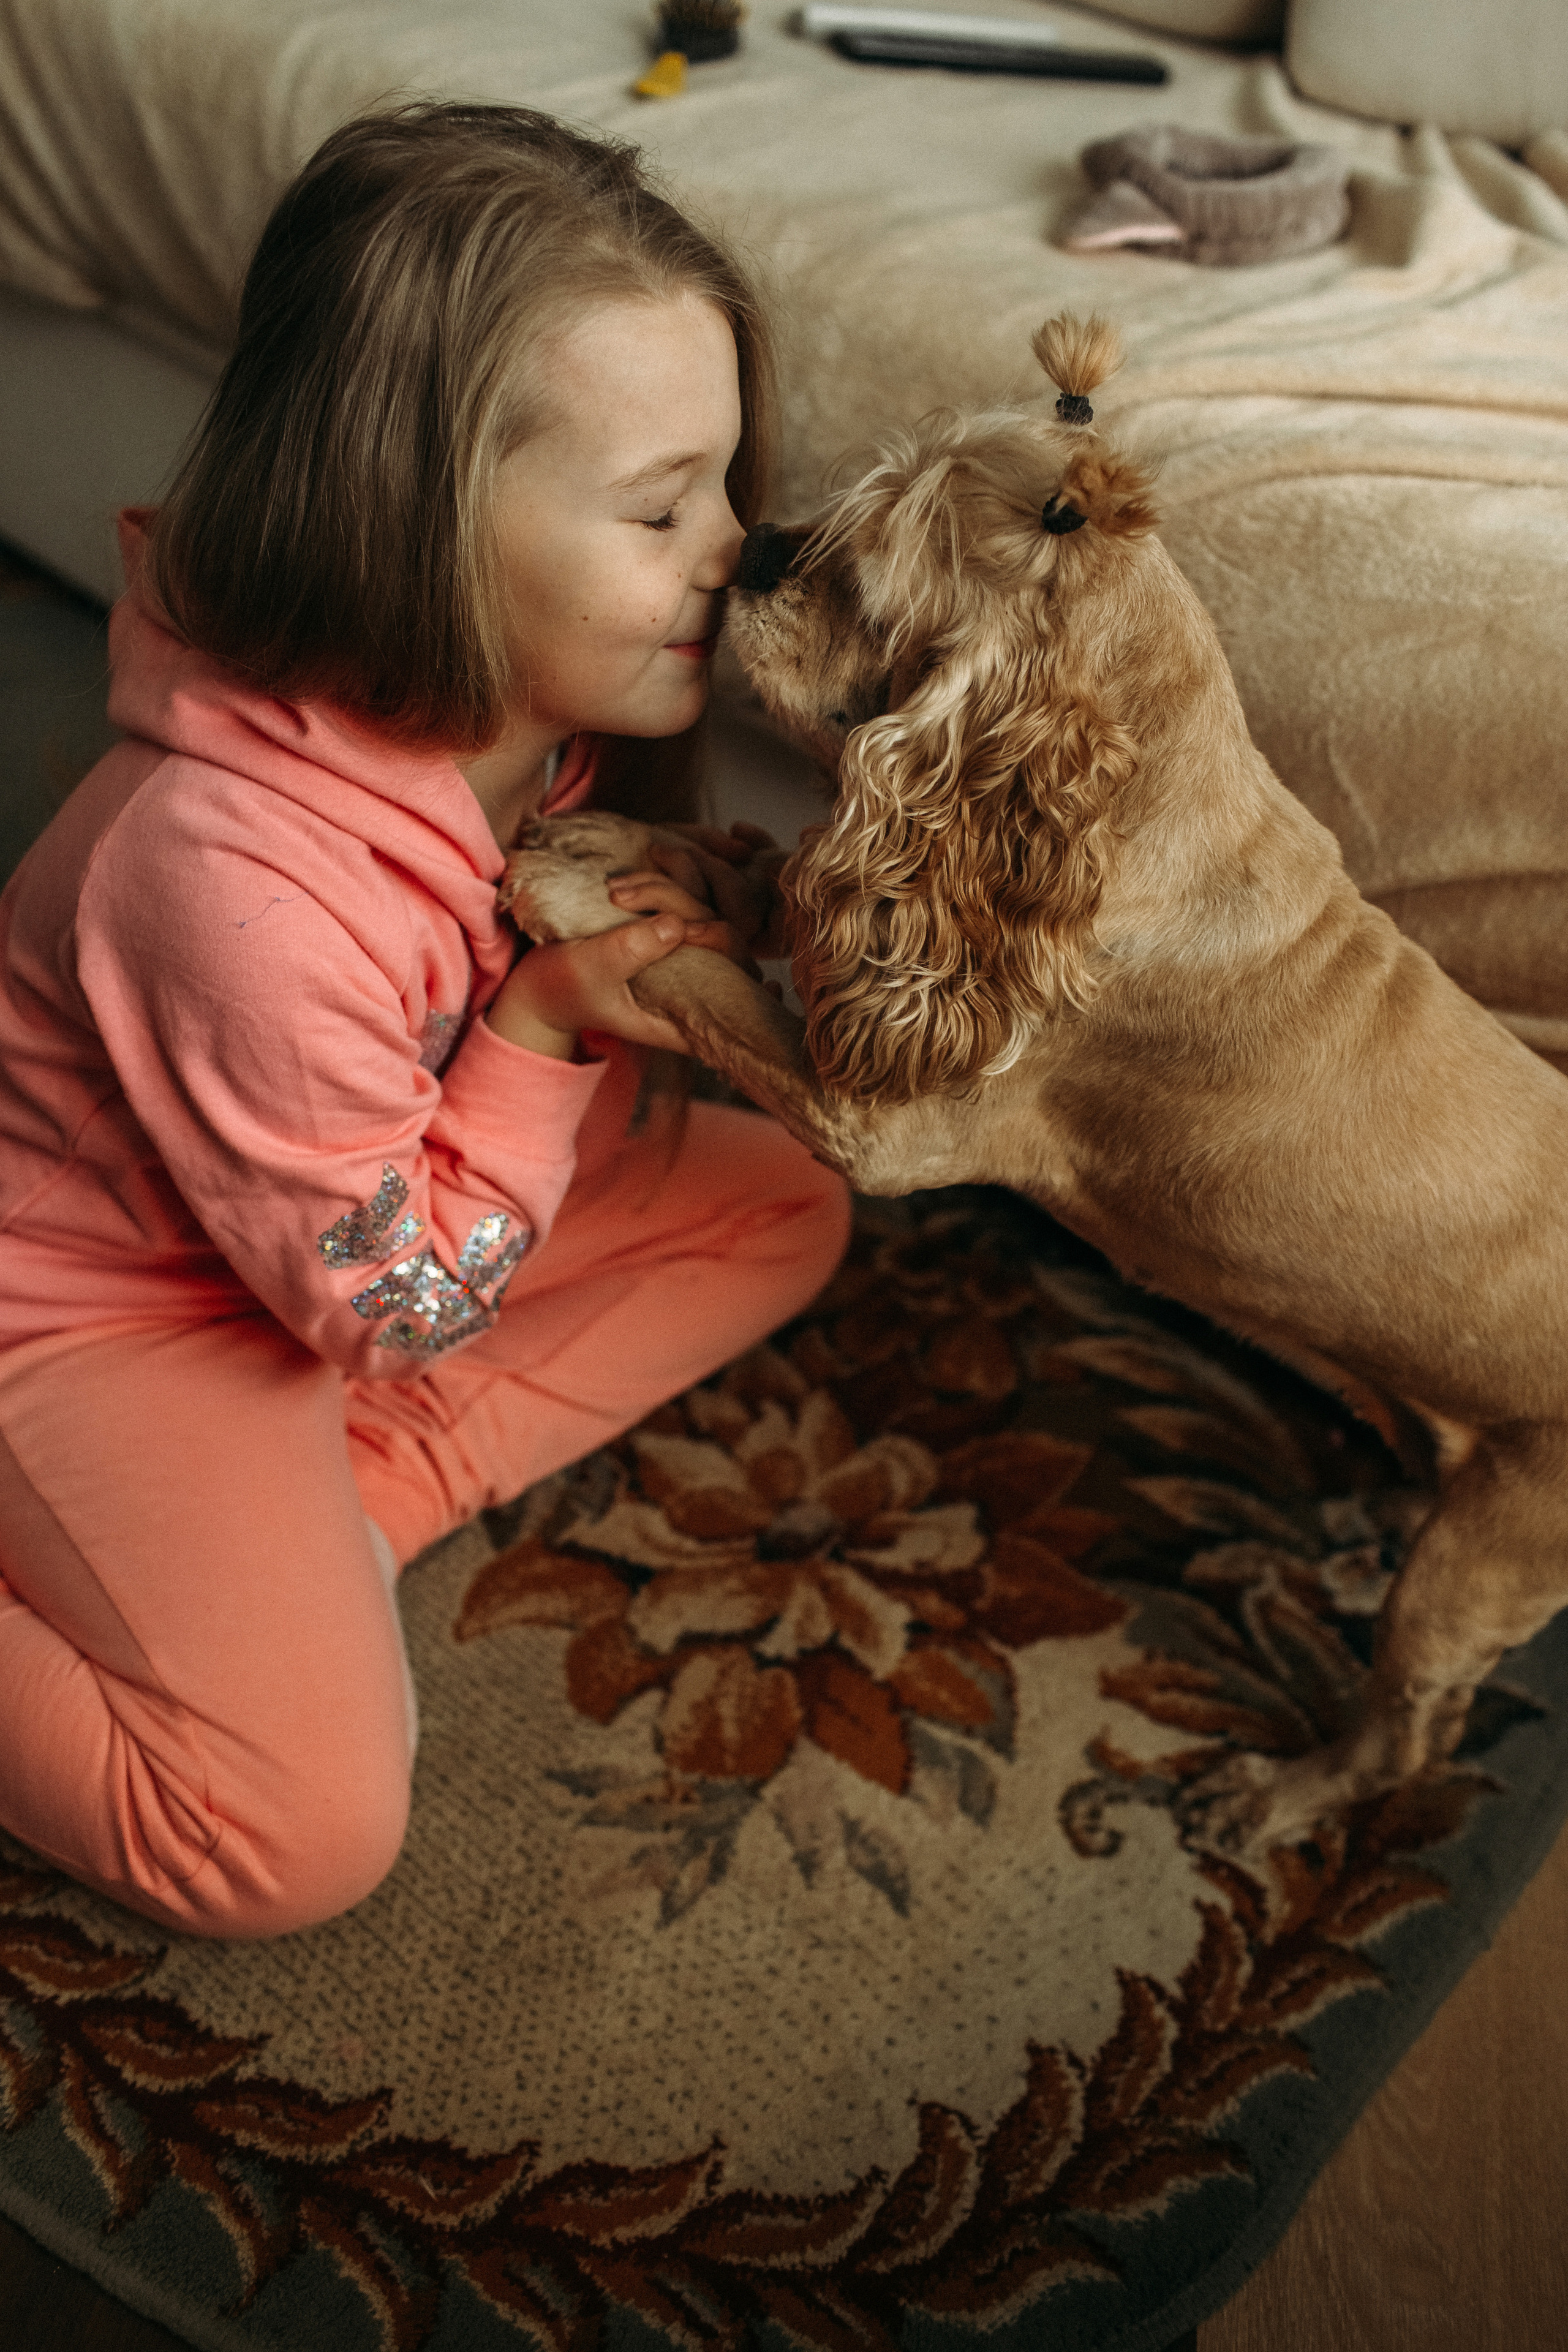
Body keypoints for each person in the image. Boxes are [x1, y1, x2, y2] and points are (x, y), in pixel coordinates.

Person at [0, 103, 850, 1939]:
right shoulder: (221, 880)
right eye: (660, 507)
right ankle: (265, 1546)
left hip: (321, 1246)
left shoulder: (519, 714)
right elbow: (384, 1299)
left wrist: (646, 920)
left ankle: (347, 1508)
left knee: (784, 1199)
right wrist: (543, 1027)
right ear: (418, 525)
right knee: (283, 1842)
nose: (737, 549)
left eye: (726, 485)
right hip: (103, 1311)